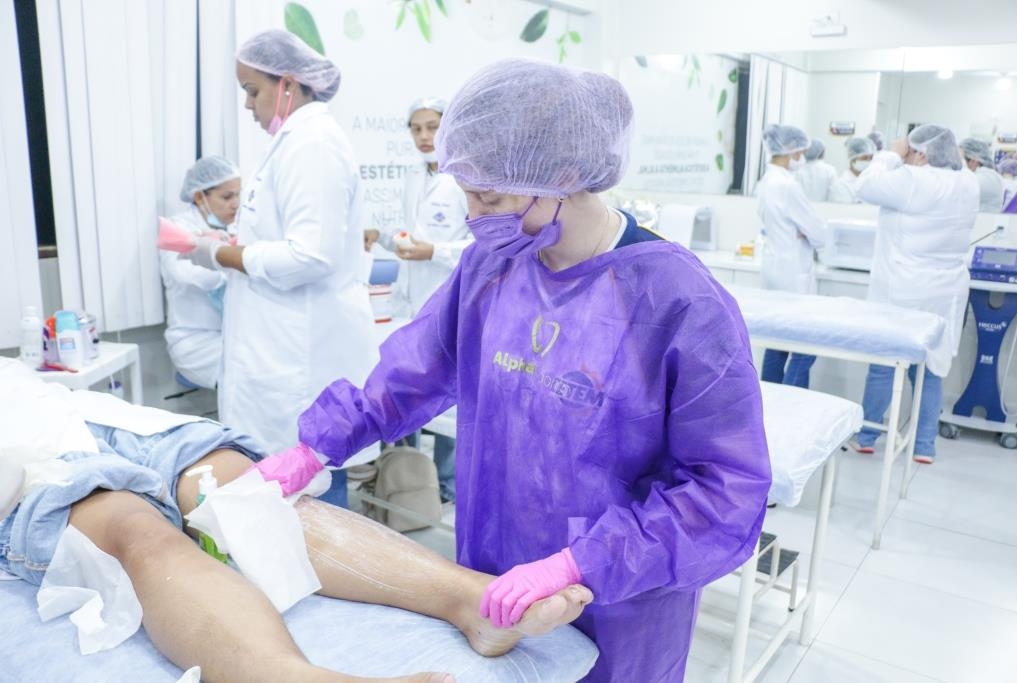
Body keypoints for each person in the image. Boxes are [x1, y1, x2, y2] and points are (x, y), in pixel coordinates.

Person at [261, 58, 772, 682]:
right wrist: (317, 447)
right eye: (467, 193)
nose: (474, 216)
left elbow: (724, 489)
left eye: (491, 197)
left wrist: (581, 564)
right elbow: (415, 371)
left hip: (621, 599)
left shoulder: (676, 300)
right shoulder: (492, 268)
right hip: (492, 574)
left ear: (563, 177)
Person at [0, 358, 591, 683]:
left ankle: (474, 603)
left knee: (247, 500)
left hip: (118, 422)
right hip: (31, 468)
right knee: (138, 533)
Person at [177, 30, 378, 456]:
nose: (248, 104)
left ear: (286, 84)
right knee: (282, 477)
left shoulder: (313, 144)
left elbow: (311, 255)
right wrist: (234, 242)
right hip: (279, 354)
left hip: (301, 360)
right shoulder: (291, 143)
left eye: (252, 90)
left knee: (309, 481)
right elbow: (286, 236)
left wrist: (221, 254)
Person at [850, 125, 979, 464]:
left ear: (921, 153)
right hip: (946, 293)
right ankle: (924, 446)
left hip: (903, 289)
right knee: (931, 368)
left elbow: (864, 185)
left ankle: (867, 436)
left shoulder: (912, 179)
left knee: (884, 364)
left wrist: (892, 154)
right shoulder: (968, 182)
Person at [364, 96, 471, 503]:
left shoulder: (466, 178)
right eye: (417, 129)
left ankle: (447, 486)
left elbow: (483, 245)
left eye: (432, 127)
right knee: (411, 388)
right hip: (411, 305)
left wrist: (435, 252)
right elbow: (411, 234)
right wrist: (382, 236)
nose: (424, 136)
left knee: (449, 396)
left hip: (451, 301)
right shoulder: (415, 176)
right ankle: (409, 480)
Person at [159, 157, 240, 389]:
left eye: (238, 195)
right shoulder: (178, 230)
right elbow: (187, 273)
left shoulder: (235, 227)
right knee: (249, 377)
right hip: (195, 342)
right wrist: (229, 259)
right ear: (199, 196)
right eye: (227, 197)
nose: (235, 204)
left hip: (232, 337)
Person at [756, 124, 826, 388]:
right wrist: (806, 234)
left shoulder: (766, 182)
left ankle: (771, 401)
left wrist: (802, 232)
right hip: (793, 273)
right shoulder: (787, 185)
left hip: (774, 268)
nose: (803, 158)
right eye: (802, 152)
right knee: (804, 347)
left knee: (776, 343)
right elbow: (818, 234)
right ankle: (794, 401)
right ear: (792, 152)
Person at [960, 138, 1005, 212]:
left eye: (960, 159)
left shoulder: (987, 178)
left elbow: (958, 190)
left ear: (973, 161)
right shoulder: (979, 175)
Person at [827, 137, 875, 203]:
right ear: (852, 159)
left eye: (871, 158)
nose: (868, 161)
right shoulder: (840, 185)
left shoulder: (871, 180)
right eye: (864, 158)